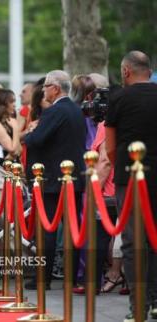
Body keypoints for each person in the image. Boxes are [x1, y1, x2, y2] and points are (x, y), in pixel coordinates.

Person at [105, 50, 157, 322]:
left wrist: (121, 165)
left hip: (129, 177)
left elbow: (110, 147)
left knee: (132, 243)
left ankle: (138, 307)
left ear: (126, 71)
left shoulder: (119, 98)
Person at [23, 70, 86, 290]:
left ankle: (43, 278)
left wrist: (27, 135)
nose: (43, 90)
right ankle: (71, 278)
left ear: (56, 88)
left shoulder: (54, 111)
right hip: (74, 179)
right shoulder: (77, 110)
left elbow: (37, 140)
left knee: (47, 230)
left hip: (52, 180)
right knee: (72, 230)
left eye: (46, 85)